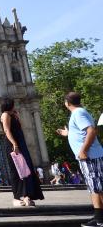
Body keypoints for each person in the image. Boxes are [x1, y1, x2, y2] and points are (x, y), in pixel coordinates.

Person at [56, 92, 103, 227]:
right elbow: (82, 132)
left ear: (67, 103)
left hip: (90, 156)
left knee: (96, 187)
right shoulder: (79, 113)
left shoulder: (78, 113)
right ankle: (99, 217)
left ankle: (99, 219)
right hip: (89, 156)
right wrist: (68, 133)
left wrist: (83, 150)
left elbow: (91, 131)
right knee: (95, 187)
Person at [0, 97, 44, 207]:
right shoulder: (5, 115)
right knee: (16, 171)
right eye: (13, 104)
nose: (15, 106)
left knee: (26, 170)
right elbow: (6, 130)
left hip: (21, 143)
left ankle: (26, 195)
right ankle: (16, 197)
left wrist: (17, 116)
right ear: (9, 105)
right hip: (13, 145)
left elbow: (20, 127)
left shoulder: (13, 115)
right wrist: (14, 144)